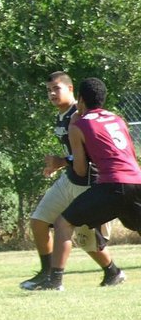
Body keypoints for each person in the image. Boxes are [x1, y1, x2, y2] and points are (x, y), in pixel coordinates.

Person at [20, 72, 124, 290]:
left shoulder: (79, 114)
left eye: (56, 88)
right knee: (39, 220)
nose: (51, 93)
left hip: (88, 182)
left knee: (88, 241)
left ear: (71, 89)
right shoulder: (62, 115)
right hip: (69, 180)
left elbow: (88, 155)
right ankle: (47, 273)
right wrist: (58, 164)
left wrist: (61, 161)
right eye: (48, 90)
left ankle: (113, 272)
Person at [48, 77, 141, 291]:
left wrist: (73, 127)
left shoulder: (79, 124)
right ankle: (111, 273)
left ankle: (54, 282)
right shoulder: (118, 119)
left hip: (112, 185)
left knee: (63, 223)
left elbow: (80, 169)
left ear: (79, 99)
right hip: (136, 180)